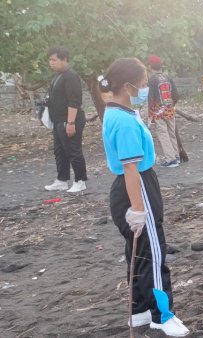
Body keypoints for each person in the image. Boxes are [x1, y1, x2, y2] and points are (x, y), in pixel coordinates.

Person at [99, 58, 189, 336]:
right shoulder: (123, 121)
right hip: (137, 186)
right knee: (154, 250)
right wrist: (138, 209)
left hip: (131, 185)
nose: (143, 89)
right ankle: (162, 315)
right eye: (141, 84)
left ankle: (139, 310)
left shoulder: (117, 111)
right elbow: (130, 168)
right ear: (127, 86)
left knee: (137, 251)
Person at [43, 47, 88, 193]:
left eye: (54, 60)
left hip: (69, 119)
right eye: (50, 60)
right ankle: (62, 180)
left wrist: (70, 122)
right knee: (59, 151)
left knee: (73, 150)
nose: (51, 63)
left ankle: (80, 181)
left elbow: (74, 101)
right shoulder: (58, 76)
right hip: (58, 120)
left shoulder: (71, 76)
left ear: (64, 59)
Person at [146, 54, 181, 168]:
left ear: (150, 67)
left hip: (158, 111)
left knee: (163, 134)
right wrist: (170, 105)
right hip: (170, 109)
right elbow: (176, 95)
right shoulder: (168, 78)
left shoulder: (152, 80)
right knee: (171, 133)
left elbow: (150, 99)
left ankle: (170, 159)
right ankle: (176, 156)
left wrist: (150, 115)